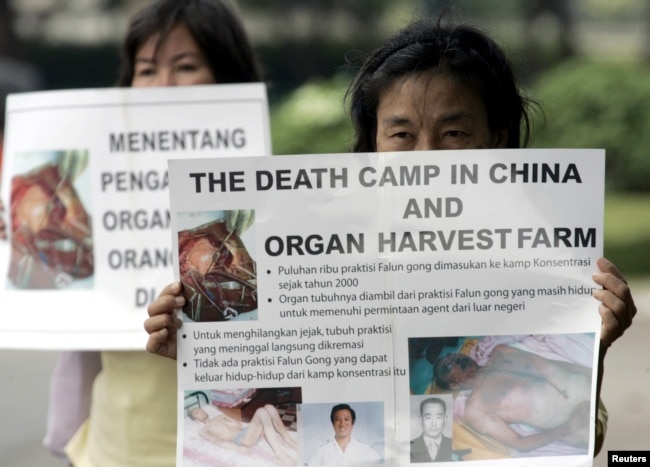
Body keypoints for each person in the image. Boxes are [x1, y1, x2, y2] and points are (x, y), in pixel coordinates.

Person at [145, 16, 637, 456]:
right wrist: (203, 352)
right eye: (402, 135)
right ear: (373, 144)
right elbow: (281, 414)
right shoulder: (314, 257)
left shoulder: (543, 265)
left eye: (454, 134)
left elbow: (580, 443)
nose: (426, 158)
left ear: (498, 135)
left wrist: (597, 343)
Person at [54, 1, 263, 466]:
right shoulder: (91, 194)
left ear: (228, 80)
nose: (162, 87)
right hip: (114, 447)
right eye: (146, 70)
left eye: (185, 66)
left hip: (225, 449)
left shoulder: (262, 203)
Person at [433, 345, 592, 453]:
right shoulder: (476, 409)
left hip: (592, 384)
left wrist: (591, 372)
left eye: (452, 355)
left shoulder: (501, 352)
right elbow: (520, 444)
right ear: (453, 386)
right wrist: (569, 428)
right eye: (448, 366)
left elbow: (556, 364)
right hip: (583, 423)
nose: (454, 359)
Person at [188, 405, 297, 465]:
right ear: (196, 421)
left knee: (269, 407)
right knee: (261, 411)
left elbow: (239, 425)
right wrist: (237, 449)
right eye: (196, 412)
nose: (200, 411)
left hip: (247, 431)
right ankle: (279, 455)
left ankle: (287, 440)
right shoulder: (203, 430)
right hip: (241, 439)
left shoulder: (219, 416)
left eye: (200, 409)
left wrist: (228, 419)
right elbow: (217, 441)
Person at [306, 403, 380, 465]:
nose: (342, 423)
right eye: (338, 419)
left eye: (346, 419)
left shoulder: (364, 450)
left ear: (353, 422)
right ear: (333, 423)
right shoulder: (321, 451)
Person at [410, 397, 452, 463]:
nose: (434, 423)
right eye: (428, 417)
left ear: (445, 420)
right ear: (420, 420)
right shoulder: (410, 446)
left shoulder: (454, 444)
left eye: (438, 417)